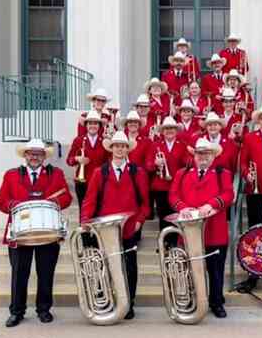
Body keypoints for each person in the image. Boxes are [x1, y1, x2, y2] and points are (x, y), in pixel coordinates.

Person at [0, 139, 72, 327]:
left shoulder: (56, 174)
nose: (35, 156)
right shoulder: (11, 175)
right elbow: (1, 201)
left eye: (39, 153)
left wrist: (54, 203)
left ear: (44, 156)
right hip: (20, 232)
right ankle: (16, 311)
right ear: (25, 155)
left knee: (46, 273)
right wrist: (13, 205)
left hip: (48, 231)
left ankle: (44, 309)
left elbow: (67, 197)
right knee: (19, 274)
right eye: (31, 153)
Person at [80, 131, 151, 320]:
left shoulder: (138, 172)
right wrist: (85, 220)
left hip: (129, 229)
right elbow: (89, 200)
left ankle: (128, 303)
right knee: (104, 266)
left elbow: (145, 203)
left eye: (123, 146)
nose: (120, 149)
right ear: (111, 149)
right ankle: (105, 299)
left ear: (128, 149)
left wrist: (139, 221)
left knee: (129, 267)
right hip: (105, 229)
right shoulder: (99, 172)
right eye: (116, 146)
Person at [169, 138, 235, 318]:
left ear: (213, 156)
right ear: (194, 156)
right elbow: (173, 195)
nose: (202, 157)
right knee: (189, 269)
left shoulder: (223, 173)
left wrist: (211, 204)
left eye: (206, 153)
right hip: (189, 230)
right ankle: (193, 299)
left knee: (216, 270)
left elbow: (229, 194)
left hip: (215, 230)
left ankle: (216, 302)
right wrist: (183, 207)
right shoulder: (182, 173)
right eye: (199, 153)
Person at [145, 116, 188, 233]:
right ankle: (164, 243)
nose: (169, 131)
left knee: (176, 216)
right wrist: (155, 163)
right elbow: (148, 166)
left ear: (176, 130)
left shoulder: (182, 145)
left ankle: (175, 242)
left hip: (178, 187)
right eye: (166, 128)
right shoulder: (155, 145)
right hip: (160, 186)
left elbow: (187, 165)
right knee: (163, 216)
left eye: (172, 128)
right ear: (163, 131)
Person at [66, 110, 110, 214]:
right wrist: (77, 159)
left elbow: (109, 161)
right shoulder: (78, 140)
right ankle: (85, 231)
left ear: (99, 126)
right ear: (86, 125)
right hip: (82, 182)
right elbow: (69, 160)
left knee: (99, 212)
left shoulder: (104, 141)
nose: (93, 126)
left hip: (100, 182)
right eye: (90, 123)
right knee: (84, 212)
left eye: (95, 123)